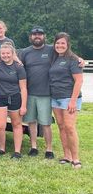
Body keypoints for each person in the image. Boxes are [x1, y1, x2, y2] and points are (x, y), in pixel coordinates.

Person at [20, 26, 56, 159]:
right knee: (31, 122)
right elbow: (17, 65)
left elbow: (67, 53)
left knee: (46, 123)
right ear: (30, 37)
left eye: (40, 34)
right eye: (34, 34)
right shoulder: (25, 52)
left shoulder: (51, 50)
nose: (37, 36)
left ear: (44, 36)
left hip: (45, 93)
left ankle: (49, 149)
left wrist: (78, 59)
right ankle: (33, 147)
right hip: (29, 93)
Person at [49, 32, 83, 169]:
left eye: (63, 43)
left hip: (69, 98)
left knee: (69, 127)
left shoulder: (73, 59)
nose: (60, 45)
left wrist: (73, 101)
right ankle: (67, 156)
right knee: (61, 126)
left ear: (68, 44)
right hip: (55, 98)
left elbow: (79, 81)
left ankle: (76, 159)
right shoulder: (54, 58)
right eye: (57, 43)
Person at [0, 43, 27, 159]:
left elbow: (23, 87)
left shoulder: (18, 67)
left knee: (16, 124)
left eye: (8, 53)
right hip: (0, 97)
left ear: (12, 54)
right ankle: (1, 149)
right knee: (0, 125)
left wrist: (24, 105)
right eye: (3, 53)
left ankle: (17, 151)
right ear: (0, 54)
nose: (5, 56)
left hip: (15, 97)